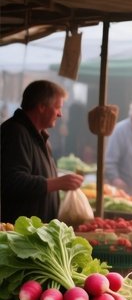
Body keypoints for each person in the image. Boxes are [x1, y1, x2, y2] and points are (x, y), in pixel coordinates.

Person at [1, 80, 84, 223]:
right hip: (21, 236)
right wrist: (57, 183)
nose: (60, 114)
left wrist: (60, 180)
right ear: (41, 107)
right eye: (58, 107)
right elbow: (12, 182)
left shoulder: (39, 135)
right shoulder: (15, 132)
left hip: (37, 232)